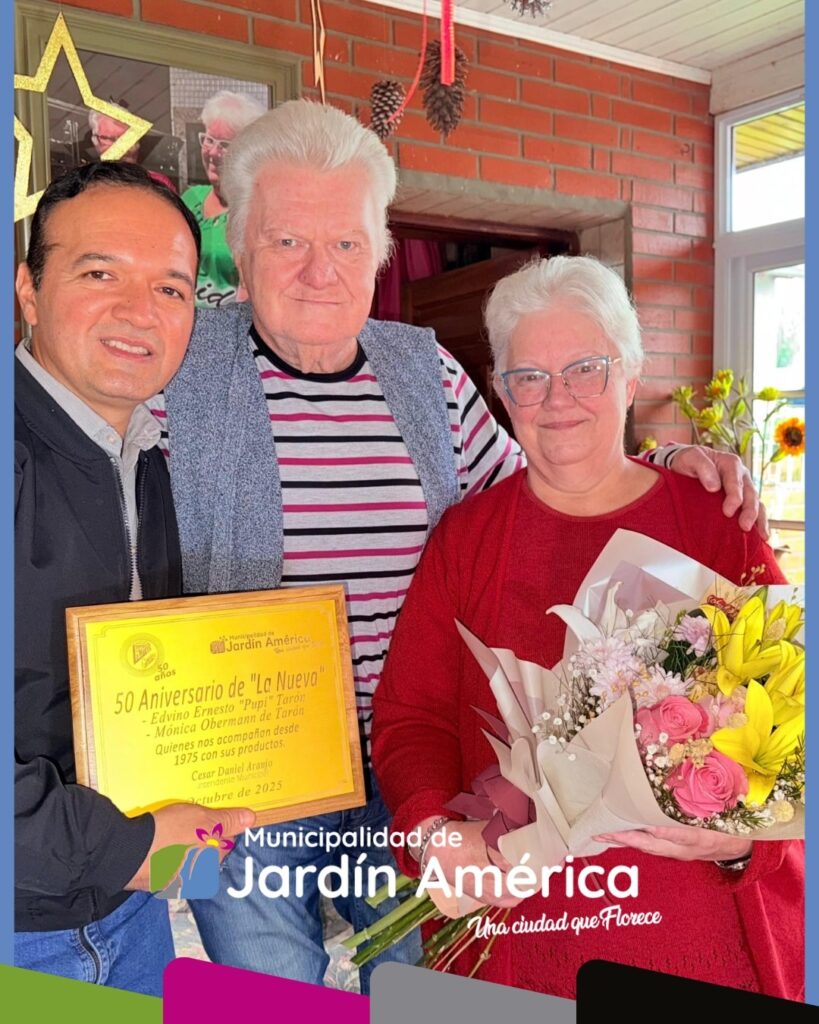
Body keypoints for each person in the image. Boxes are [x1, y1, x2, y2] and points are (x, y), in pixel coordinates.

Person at [150, 99, 763, 994]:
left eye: (348, 244)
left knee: (414, 976)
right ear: (239, 246)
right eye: (288, 242)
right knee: (269, 991)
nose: (321, 271)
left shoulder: (422, 368)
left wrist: (667, 461)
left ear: (381, 252)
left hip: (415, 765)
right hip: (245, 776)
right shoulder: (180, 370)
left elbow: (549, 478)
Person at [371, 255, 804, 1001]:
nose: (556, 398)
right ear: (501, 395)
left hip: (698, 932)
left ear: (630, 377)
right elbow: (410, 717)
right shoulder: (465, 538)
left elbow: (793, 726)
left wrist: (743, 843)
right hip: (516, 938)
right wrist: (436, 835)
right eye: (528, 377)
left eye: (585, 369)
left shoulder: (717, 524)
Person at [14, 162, 254, 997]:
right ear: (29, 289)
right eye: (99, 272)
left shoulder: (152, 461)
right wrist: (124, 846)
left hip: (127, 913)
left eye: (171, 289)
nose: (138, 312)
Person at [181, 90, 265, 308]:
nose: (213, 152)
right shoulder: (190, 199)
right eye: (209, 140)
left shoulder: (257, 210)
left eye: (226, 145)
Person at [88, 107, 177, 191]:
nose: (122, 147)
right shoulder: (85, 184)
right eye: (111, 139)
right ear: (95, 140)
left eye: (128, 138)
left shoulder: (158, 184)